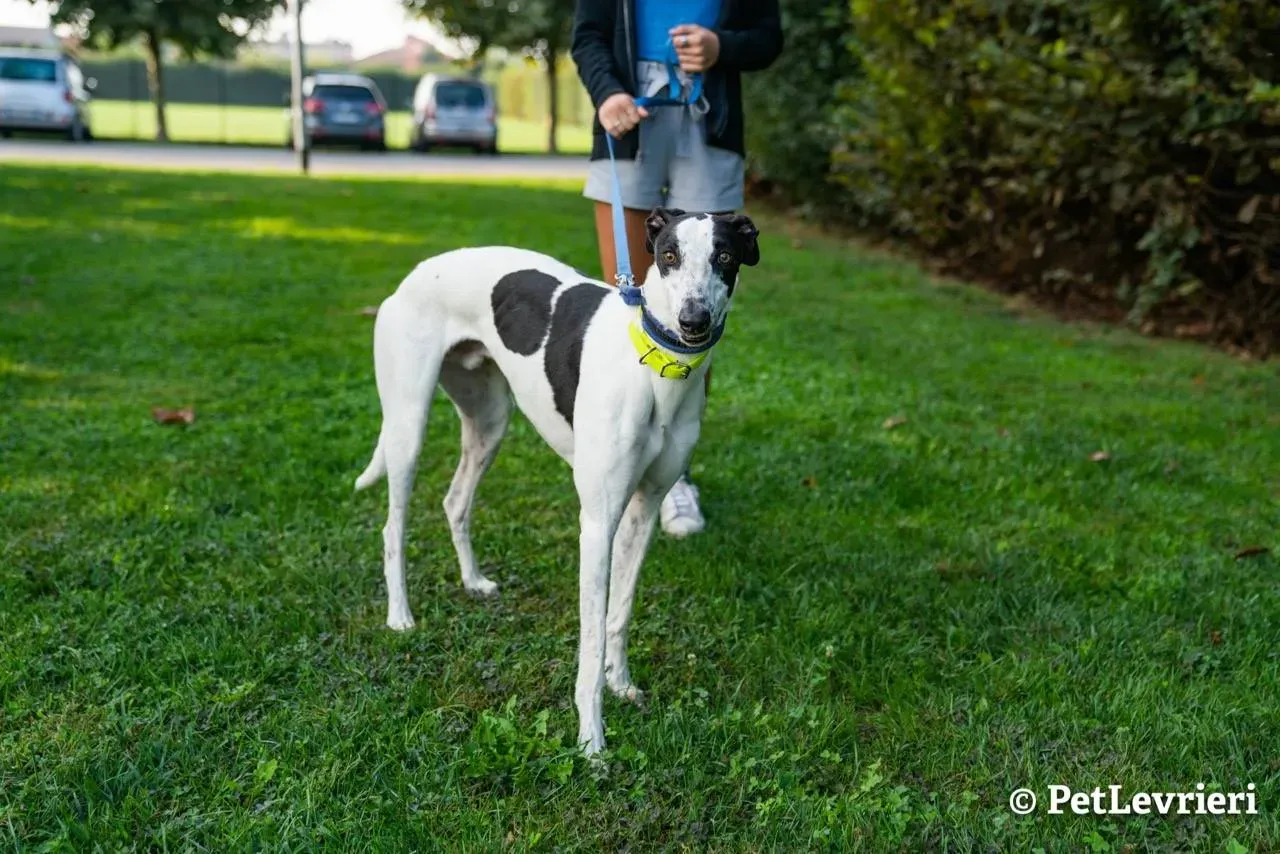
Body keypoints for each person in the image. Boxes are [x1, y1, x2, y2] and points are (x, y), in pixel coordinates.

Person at [570, 0, 783, 537]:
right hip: (629, 116)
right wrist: (608, 92)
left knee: (697, 312)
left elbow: (766, 36)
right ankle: (615, 460)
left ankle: (674, 479)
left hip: (710, 119)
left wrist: (720, 48)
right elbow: (588, 37)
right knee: (627, 313)